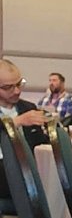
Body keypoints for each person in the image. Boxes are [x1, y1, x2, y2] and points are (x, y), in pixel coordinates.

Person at [0, 59, 48, 200]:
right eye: (8, 87)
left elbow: (40, 144)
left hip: (28, 169)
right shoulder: (25, 116)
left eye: (19, 84)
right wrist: (17, 122)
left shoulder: (28, 108)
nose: (17, 91)